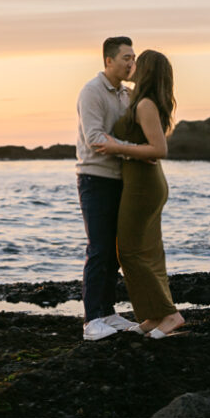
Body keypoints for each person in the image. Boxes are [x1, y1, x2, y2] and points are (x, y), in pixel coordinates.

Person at [93, 50, 183, 338]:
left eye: (136, 63)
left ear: (145, 71)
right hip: (142, 182)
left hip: (144, 185)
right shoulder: (141, 100)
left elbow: (160, 150)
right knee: (149, 251)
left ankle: (169, 315)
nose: (131, 66)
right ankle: (153, 316)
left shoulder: (144, 104)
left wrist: (118, 147)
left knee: (129, 251)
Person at [76, 36, 145, 341]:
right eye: (126, 58)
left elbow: (122, 137)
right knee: (99, 249)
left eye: (133, 58)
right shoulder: (92, 92)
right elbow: (95, 138)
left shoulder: (127, 95)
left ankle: (107, 312)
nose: (132, 63)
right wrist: (135, 150)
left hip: (121, 180)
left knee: (116, 252)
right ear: (108, 61)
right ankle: (92, 321)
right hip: (95, 179)